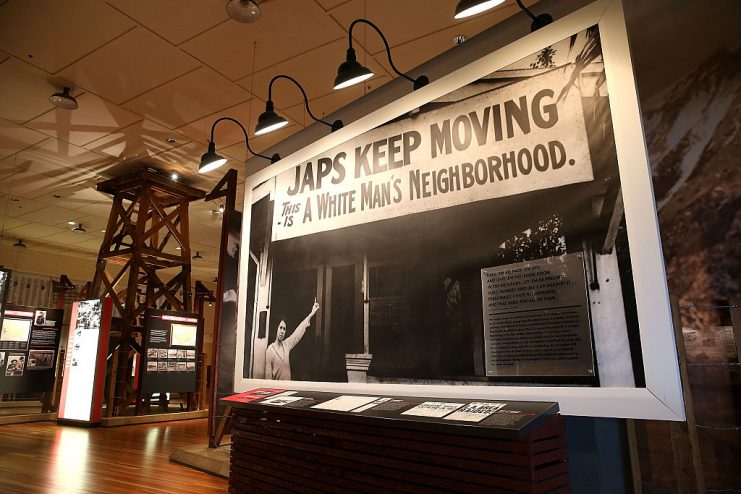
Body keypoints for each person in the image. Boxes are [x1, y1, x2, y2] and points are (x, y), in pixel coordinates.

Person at [265, 302, 320, 380]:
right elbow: (268, 379)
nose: (282, 331)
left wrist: (311, 314)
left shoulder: (286, 345)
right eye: (280, 328)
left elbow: (298, 332)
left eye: (284, 329)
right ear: (276, 329)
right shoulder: (270, 350)